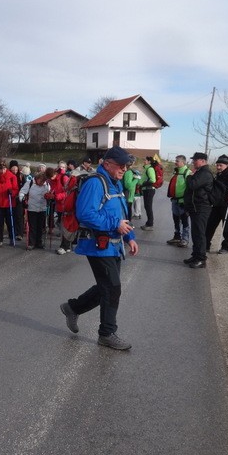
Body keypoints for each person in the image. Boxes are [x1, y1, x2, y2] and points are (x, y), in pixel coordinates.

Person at [59, 146, 139, 350]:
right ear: (107, 163)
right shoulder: (95, 183)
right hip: (97, 244)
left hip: (113, 245)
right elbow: (85, 214)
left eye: (126, 165)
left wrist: (129, 236)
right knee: (112, 288)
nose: (124, 168)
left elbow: (121, 213)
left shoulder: (115, 183)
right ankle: (107, 333)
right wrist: (115, 225)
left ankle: (73, 307)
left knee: (107, 286)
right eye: (121, 165)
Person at [183, 152, 214, 268]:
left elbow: (192, 185)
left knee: (200, 234)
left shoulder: (205, 173)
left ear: (202, 161)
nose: (193, 162)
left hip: (201, 208)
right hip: (196, 207)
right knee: (195, 233)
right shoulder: (201, 172)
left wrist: (190, 176)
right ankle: (195, 256)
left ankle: (201, 259)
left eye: (195, 160)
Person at [19, 172, 50, 250]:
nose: (42, 183)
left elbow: (50, 194)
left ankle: (39, 242)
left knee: (40, 227)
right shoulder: (30, 183)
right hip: (32, 208)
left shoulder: (47, 185)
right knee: (32, 227)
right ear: (37, 179)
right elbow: (22, 192)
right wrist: (22, 200)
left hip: (42, 208)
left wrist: (50, 198)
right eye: (41, 181)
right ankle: (31, 243)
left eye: (43, 181)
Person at [167, 155, 192, 247]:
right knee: (176, 219)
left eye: (177, 161)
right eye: (176, 160)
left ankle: (185, 239)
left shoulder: (188, 173)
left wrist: (186, 201)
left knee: (184, 220)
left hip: (183, 201)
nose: (175, 162)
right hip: (175, 200)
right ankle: (177, 237)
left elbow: (190, 188)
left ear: (183, 162)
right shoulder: (176, 172)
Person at [0, 160, 19, 246]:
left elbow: (16, 189)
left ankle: (12, 237)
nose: (2, 171)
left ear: (6, 168)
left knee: (10, 222)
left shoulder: (12, 177)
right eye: (0, 169)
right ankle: (0, 239)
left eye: (4, 168)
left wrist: (12, 192)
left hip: (9, 203)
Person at [11, 160, 30, 239]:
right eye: (13, 169)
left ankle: (20, 233)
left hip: (19, 198)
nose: (15, 171)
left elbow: (25, 187)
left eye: (16, 169)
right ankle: (13, 231)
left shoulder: (21, 176)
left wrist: (23, 195)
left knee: (19, 216)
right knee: (13, 215)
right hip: (11, 198)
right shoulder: (9, 176)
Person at [139, 156, 158, 230]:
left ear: (149, 161)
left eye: (145, 160)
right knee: (147, 206)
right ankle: (148, 223)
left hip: (149, 190)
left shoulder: (150, 169)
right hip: (147, 189)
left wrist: (143, 184)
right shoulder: (147, 168)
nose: (144, 161)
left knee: (148, 207)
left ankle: (150, 224)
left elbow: (153, 180)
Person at [122, 157, 141, 223]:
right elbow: (128, 186)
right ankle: (127, 226)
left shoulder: (127, 171)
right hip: (128, 196)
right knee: (127, 213)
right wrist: (136, 179)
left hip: (127, 196)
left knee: (127, 212)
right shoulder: (129, 172)